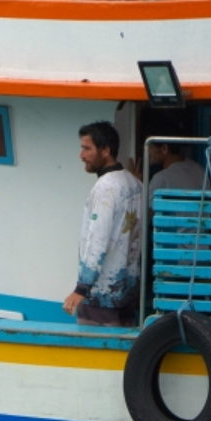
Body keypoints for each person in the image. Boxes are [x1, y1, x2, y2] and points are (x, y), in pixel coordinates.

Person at [64, 122, 142, 327]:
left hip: (100, 294)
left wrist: (81, 289)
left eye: (87, 148)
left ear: (106, 150)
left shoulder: (105, 188)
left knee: (95, 353)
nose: (81, 155)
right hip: (128, 290)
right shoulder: (135, 184)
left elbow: (98, 242)